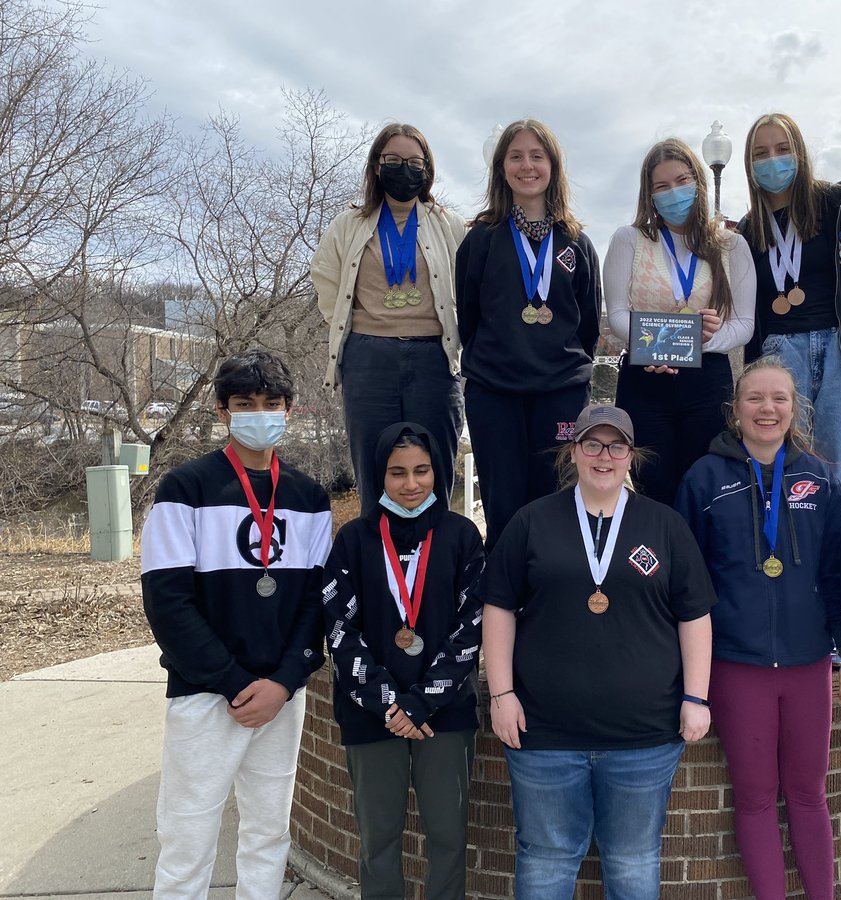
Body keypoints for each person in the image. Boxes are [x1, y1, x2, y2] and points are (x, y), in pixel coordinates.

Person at [482, 403, 715, 900]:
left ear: (631, 456)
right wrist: (501, 693)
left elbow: (694, 615)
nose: (603, 456)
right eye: (592, 444)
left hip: (644, 738)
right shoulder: (532, 522)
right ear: (574, 452)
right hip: (543, 735)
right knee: (545, 862)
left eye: (616, 446)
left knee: (633, 865)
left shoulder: (666, 526)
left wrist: (696, 698)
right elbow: (498, 609)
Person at [141, 350, 332, 900]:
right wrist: (232, 681)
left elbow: (316, 605)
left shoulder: (309, 498)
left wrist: (284, 680)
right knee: (187, 836)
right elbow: (168, 603)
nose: (259, 414)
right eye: (245, 404)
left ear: (289, 411)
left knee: (269, 833)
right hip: (207, 694)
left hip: (281, 695)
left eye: (271, 404)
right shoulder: (185, 488)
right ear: (223, 412)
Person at [676, 357, 841, 900]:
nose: (768, 408)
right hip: (737, 666)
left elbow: (837, 575)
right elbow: (687, 584)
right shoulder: (704, 478)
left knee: (808, 795)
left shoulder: (820, 478)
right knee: (756, 798)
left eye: (779, 398)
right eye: (755, 398)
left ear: (795, 407)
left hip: (808, 664)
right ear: (735, 409)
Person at [322, 422, 485, 900]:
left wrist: (420, 703)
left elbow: (471, 630)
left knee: (448, 837)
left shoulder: (461, 536)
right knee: (378, 841)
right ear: (379, 476)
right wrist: (391, 703)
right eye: (397, 473)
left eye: (422, 470)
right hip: (372, 715)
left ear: (438, 471)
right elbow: (339, 630)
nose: (411, 484)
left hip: (444, 715)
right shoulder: (353, 539)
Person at [456, 118, 602, 550]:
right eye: (516, 156)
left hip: (560, 392)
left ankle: (549, 606)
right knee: (503, 508)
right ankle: (502, 609)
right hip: (494, 392)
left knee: (556, 504)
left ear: (553, 166)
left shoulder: (577, 243)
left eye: (537, 156)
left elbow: (589, 325)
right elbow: (469, 318)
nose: (527, 166)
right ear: (501, 168)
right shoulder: (481, 239)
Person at [312, 122, 466, 514]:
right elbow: (326, 276)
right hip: (368, 358)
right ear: (377, 166)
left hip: (435, 356)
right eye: (394, 160)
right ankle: (379, 565)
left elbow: (469, 281)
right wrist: (348, 324)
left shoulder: (447, 223)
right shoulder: (349, 223)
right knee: (374, 466)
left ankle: (435, 561)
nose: (405, 169)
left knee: (436, 465)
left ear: (428, 170)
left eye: (415, 162)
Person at [739, 112, 841, 509]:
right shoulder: (748, 229)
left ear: (800, 153)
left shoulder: (838, 206)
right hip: (778, 357)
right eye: (761, 153)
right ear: (750, 166)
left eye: (782, 149)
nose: (773, 160)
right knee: (787, 481)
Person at [603, 137, 755, 504]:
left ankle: (701, 561)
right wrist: (652, 348)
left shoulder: (731, 245)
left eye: (682, 180)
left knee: (706, 486)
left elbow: (744, 322)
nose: (674, 191)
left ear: (699, 183)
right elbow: (617, 313)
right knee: (652, 486)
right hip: (645, 378)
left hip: (707, 382)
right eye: (662, 186)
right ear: (649, 194)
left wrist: (700, 344)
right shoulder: (629, 239)